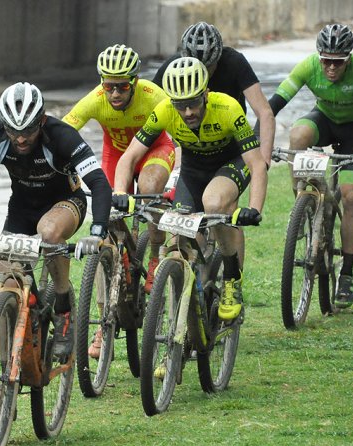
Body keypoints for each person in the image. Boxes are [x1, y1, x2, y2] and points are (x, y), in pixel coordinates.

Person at [0, 82, 112, 363]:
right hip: (21, 209)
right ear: (3, 124)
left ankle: (63, 307)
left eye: (29, 131)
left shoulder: (62, 136)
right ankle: (6, 371)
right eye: (13, 132)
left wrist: (97, 231)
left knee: (49, 231)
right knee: (5, 282)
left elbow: (98, 182)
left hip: (65, 203)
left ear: (42, 121)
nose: (20, 139)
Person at [114, 57, 267, 321]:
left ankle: (232, 277)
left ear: (206, 94)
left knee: (214, 203)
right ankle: (185, 320)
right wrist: (120, 192)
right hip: (193, 171)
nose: (187, 113)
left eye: (194, 103)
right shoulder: (164, 110)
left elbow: (257, 163)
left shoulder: (228, 108)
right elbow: (129, 157)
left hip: (231, 163)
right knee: (179, 236)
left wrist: (254, 208)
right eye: (180, 105)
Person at [268, 24, 353, 309]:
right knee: (298, 135)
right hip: (324, 121)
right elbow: (274, 104)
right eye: (325, 60)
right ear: (318, 57)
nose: (330, 67)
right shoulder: (308, 66)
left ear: (348, 58)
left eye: (337, 62)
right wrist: (257, 139)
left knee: (350, 196)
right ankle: (301, 203)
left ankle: (347, 273)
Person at [63, 44, 176, 304]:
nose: (114, 93)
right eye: (108, 86)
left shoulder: (153, 95)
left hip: (154, 151)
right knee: (110, 215)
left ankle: (156, 253)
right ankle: (118, 265)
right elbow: (63, 132)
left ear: (135, 81)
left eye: (122, 87)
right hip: (115, 156)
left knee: (149, 187)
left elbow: (181, 137)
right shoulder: (95, 99)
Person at [154, 21, 275, 166]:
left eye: (208, 67)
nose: (203, 74)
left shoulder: (234, 62)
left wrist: (264, 161)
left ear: (219, 57)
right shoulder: (174, 68)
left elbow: (264, 112)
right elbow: (151, 109)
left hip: (228, 141)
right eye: (196, 69)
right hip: (191, 143)